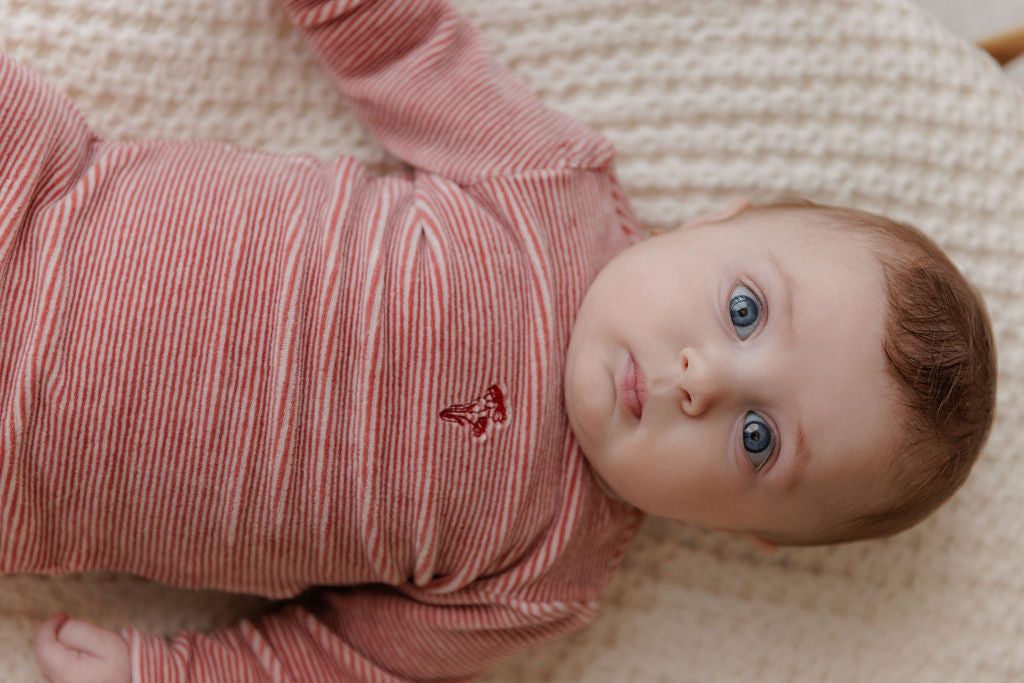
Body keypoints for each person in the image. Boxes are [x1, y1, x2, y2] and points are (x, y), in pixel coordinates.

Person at [4, 0, 993, 680]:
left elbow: (347, 660)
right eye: (744, 310)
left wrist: (170, 669)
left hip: (25, 479)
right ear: (714, 222)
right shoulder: (547, 189)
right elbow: (403, 51)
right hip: (46, 198)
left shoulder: (544, 571)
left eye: (757, 439)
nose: (703, 380)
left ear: (749, 533)